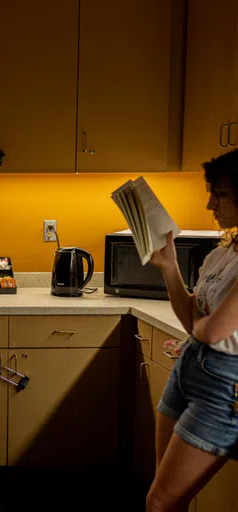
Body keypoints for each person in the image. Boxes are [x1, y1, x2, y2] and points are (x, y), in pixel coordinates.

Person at [147, 148, 238, 511]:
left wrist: (201, 328)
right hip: (190, 368)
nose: (209, 205)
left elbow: (214, 331)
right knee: (167, 496)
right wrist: (169, 268)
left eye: (219, 194)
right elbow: (194, 322)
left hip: (224, 385)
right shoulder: (224, 252)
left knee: (159, 502)